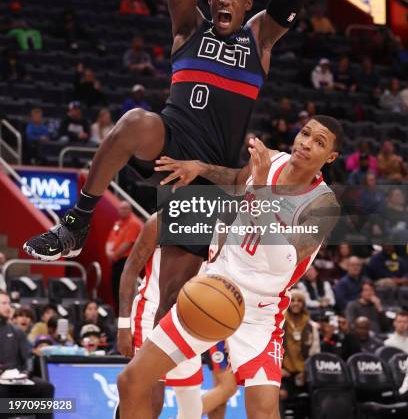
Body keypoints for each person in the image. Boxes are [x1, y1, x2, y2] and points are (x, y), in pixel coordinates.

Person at [23, 0, 313, 336]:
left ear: (248, 4)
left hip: (209, 171)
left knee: (173, 303)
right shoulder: (187, 26)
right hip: (170, 139)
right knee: (135, 121)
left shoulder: (259, 39)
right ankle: (76, 222)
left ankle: (149, 386)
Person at [117, 116, 342, 418]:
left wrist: (261, 192)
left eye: (319, 142)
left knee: (263, 413)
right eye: (305, 133)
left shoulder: (324, 205)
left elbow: (284, 263)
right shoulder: (271, 159)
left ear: (331, 157)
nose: (306, 143)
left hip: (259, 312)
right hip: (214, 288)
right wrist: (201, 168)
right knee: (131, 381)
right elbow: (238, 180)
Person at [118, 213, 236, 419]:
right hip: (151, 313)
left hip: (188, 318)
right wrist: (123, 324)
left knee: (191, 409)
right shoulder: (159, 221)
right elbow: (130, 270)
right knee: (150, 400)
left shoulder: (221, 230)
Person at [0, 291, 55, 419]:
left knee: (46, 387)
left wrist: (26, 373)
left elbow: (28, 358)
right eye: (3, 303)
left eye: (9, 303)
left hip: (15, 380)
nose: (8, 307)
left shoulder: (16, 331)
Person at [105, 201, 143, 309]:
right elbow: (110, 240)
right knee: (115, 289)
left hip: (126, 261)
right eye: (120, 209)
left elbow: (128, 243)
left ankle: (127, 315)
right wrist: (108, 253)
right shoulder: (117, 223)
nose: (122, 211)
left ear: (130, 210)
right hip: (116, 261)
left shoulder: (134, 223)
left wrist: (114, 254)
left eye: (125, 209)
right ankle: (118, 314)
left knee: (125, 290)